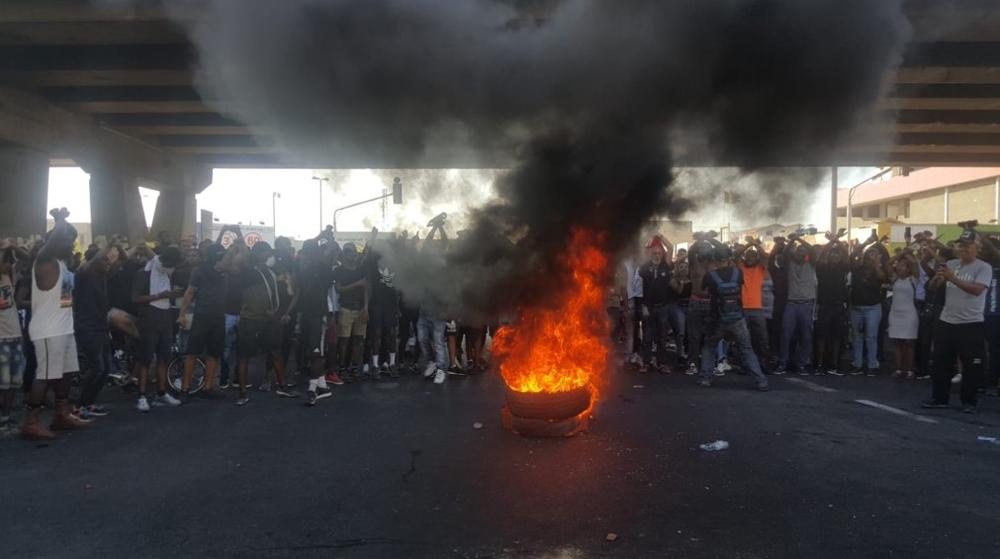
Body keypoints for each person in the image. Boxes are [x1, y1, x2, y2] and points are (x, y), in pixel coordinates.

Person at [21, 208, 89, 439]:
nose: (70, 245)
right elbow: (55, 238)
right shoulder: (44, 260)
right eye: (66, 241)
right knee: (46, 375)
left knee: (67, 372)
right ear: (55, 241)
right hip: (48, 331)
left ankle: (61, 414)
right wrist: (60, 219)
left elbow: (67, 298)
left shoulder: (62, 264)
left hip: (65, 328)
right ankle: (31, 422)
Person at [922, 229, 992, 413]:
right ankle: (939, 398)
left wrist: (953, 278)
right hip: (947, 320)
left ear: (977, 248)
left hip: (970, 322)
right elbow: (933, 287)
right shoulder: (952, 264)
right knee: (941, 362)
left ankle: (969, 401)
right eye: (961, 246)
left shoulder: (983, 267)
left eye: (968, 246)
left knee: (972, 364)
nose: (964, 249)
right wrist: (938, 279)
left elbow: (977, 290)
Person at [228, 241, 295, 406]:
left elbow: (279, 293)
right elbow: (238, 263)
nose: (270, 256)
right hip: (250, 320)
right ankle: (243, 392)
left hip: (269, 320)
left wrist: (277, 312)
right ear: (258, 254)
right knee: (244, 356)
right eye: (267, 253)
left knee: (276, 352)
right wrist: (240, 239)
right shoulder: (249, 272)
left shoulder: (271, 272)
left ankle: (282, 386)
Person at [697, 245, 768, 391]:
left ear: (715, 260)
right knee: (747, 349)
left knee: (709, 347)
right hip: (737, 319)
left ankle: (705, 378)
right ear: (729, 259)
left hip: (717, 319)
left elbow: (703, 290)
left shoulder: (711, 276)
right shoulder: (738, 273)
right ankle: (761, 380)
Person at [132, 246, 184, 412]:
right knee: (145, 359)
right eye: (172, 265)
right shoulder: (144, 273)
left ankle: (162, 393)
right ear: (165, 261)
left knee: (164, 358)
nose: (173, 269)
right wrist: (159, 296)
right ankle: (141, 396)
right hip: (149, 317)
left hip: (165, 317)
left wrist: (172, 295)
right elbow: (134, 298)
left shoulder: (166, 272)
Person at [72, 244, 120, 419]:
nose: (108, 265)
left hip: (100, 327)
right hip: (88, 327)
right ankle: (79, 406)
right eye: (105, 262)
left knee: (106, 368)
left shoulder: (102, 277)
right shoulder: (83, 274)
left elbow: (119, 263)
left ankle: (89, 403)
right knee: (97, 367)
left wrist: (116, 252)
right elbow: (94, 261)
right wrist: (108, 245)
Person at [177, 243, 229, 399]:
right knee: (193, 352)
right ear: (214, 256)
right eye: (220, 255)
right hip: (202, 315)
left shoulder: (225, 269)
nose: (222, 258)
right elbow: (190, 292)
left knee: (214, 353)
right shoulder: (200, 270)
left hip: (218, 316)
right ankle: (185, 388)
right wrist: (182, 314)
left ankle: (208, 386)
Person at [297, 236, 339, 405]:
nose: (304, 256)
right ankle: (322, 386)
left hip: (318, 316)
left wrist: (326, 237)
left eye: (307, 253)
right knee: (312, 351)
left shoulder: (323, 269)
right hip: (307, 315)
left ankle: (312, 389)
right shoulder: (303, 269)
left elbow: (332, 250)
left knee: (316, 353)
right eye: (304, 253)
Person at [776, 233, 817, 375]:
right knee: (785, 334)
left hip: (807, 304)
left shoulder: (811, 264)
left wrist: (799, 239)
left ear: (806, 255)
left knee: (806, 336)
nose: (801, 254)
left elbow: (812, 249)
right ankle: (783, 363)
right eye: (798, 251)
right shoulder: (790, 264)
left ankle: (801, 364)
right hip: (791, 303)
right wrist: (792, 239)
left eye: (803, 252)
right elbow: (786, 252)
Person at [331, 241, 371, 381]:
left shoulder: (361, 269)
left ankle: (354, 368)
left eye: (352, 250)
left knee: (358, 341)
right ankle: (342, 368)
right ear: (344, 253)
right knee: (344, 341)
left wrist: (366, 308)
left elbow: (365, 288)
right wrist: (356, 284)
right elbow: (338, 289)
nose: (351, 253)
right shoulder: (339, 271)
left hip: (360, 309)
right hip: (346, 309)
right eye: (347, 251)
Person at [849, 234, 887, 376]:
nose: (871, 256)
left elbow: (882, 277)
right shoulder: (858, 268)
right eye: (869, 254)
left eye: (874, 254)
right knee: (857, 336)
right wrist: (866, 243)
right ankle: (857, 364)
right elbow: (853, 255)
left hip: (872, 307)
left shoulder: (879, 270)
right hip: (856, 307)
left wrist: (877, 262)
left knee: (871, 336)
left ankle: (872, 364)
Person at [814, 234, 849, 376]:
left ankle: (834, 364)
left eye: (837, 255)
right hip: (825, 305)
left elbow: (846, 254)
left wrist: (837, 241)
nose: (835, 257)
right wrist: (831, 242)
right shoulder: (822, 268)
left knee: (837, 337)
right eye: (832, 255)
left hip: (838, 305)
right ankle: (819, 364)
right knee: (821, 336)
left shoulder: (843, 267)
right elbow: (821, 254)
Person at [639, 235, 673, 373]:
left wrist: (660, 236)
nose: (657, 255)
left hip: (663, 308)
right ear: (650, 254)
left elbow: (670, 247)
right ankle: (646, 363)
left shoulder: (666, 265)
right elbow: (643, 249)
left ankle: (662, 364)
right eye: (654, 253)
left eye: (659, 253)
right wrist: (649, 238)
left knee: (662, 338)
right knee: (647, 338)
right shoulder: (645, 268)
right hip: (648, 308)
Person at [0, 247, 25, 435]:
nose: (8, 263)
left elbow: (28, 258)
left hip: (15, 337)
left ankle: (5, 419)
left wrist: (11, 247)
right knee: (2, 383)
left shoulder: (10, 277)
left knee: (14, 382)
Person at [738, 239, 770, 375]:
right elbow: (736, 255)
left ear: (756, 259)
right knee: (743, 338)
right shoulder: (741, 269)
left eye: (753, 256)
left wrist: (756, 245)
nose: (750, 258)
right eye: (748, 256)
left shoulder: (760, 269)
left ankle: (763, 364)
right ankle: (744, 365)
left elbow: (765, 257)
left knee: (762, 338)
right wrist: (748, 245)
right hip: (743, 308)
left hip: (757, 309)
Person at [887, 251, 919, 379]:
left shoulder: (913, 279)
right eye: (899, 266)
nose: (900, 268)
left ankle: (909, 369)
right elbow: (888, 263)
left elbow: (915, 264)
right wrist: (900, 254)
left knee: (909, 343)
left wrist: (907, 256)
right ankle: (899, 368)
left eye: (904, 266)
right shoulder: (894, 278)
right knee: (897, 342)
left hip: (909, 314)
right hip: (895, 313)